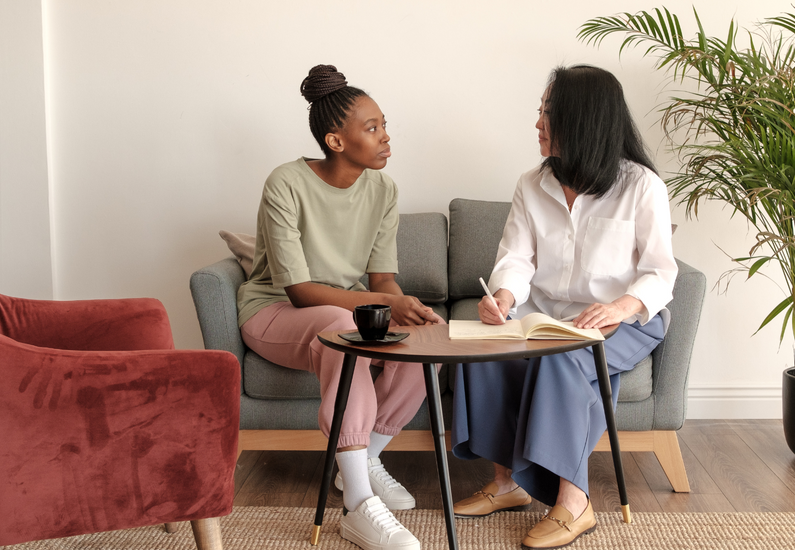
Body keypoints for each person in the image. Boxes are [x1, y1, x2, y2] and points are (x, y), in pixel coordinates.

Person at [450, 65, 677, 549]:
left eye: (548, 113)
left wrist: (620, 307)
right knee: (483, 347)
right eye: (540, 111)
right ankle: (506, 483)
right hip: (548, 315)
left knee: (562, 359)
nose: (538, 123)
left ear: (582, 119)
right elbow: (516, 258)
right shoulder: (531, 184)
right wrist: (503, 297)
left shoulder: (641, 186)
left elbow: (660, 271)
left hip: (627, 319)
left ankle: (575, 502)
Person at [237, 64, 443, 550]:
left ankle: (362, 463)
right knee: (340, 328)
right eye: (372, 128)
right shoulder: (285, 182)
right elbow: (299, 291)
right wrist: (384, 303)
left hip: (348, 312)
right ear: (335, 141)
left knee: (424, 340)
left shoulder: (384, 191)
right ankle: (358, 506)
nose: (385, 137)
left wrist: (402, 307)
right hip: (274, 312)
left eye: (384, 125)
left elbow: (381, 280)